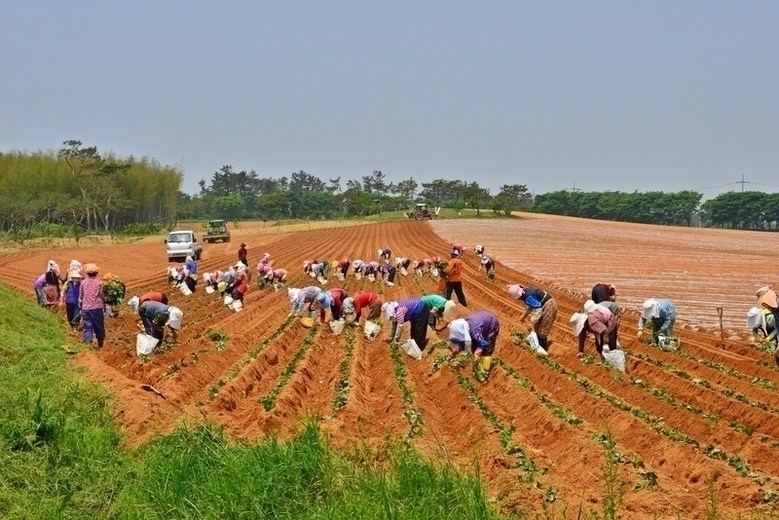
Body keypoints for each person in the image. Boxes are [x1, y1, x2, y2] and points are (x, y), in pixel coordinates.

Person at [447, 311, 500, 381]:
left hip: (491, 325)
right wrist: (455, 352)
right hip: (480, 323)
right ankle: (477, 368)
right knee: (473, 347)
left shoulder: (474, 331)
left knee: (486, 351)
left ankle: (483, 374)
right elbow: (462, 340)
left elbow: (483, 343)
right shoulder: (463, 326)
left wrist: (477, 352)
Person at [507, 284, 557, 353]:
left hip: (549, 306)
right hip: (544, 305)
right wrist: (524, 315)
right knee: (537, 327)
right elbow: (531, 306)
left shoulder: (528, 296)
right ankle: (537, 346)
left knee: (542, 330)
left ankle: (543, 351)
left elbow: (538, 310)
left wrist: (531, 321)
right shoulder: (526, 292)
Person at [79, 263, 106, 349]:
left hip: (86, 308)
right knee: (99, 325)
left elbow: (81, 296)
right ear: (96, 273)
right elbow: (102, 295)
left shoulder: (83, 283)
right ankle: (100, 344)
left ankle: (88, 344)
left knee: (88, 326)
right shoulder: (100, 283)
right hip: (97, 308)